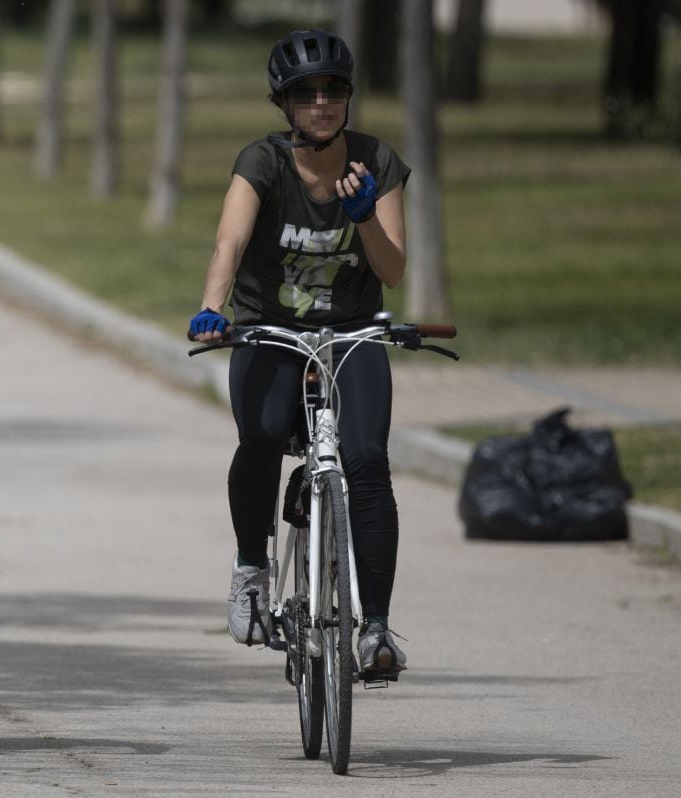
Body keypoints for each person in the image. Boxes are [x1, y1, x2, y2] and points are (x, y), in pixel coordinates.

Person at [188, 29, 411, 678]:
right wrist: (213, 305)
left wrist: (366, 215)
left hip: (352, 331)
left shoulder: (376, 161)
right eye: (305, 94)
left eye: (333, 90)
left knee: (368, 461)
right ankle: (251, 571)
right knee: (259, 437)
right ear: (283, 104)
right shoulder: (262, 163)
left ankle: (374, 630)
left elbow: (393, 270)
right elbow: (229, 242)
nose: (321, 103)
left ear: (348, 96)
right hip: (271, 329)